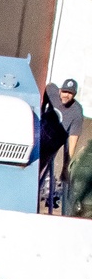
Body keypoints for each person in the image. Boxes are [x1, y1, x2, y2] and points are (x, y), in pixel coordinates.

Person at [40, 77, 84, 209]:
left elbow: (72, 141)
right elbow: (48, 86)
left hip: (50, 147)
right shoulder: (53, 92)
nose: (66, 95)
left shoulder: (76, 112)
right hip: (39, 134)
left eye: (70, 93)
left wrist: (66, 166)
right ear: (60, 91)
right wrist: (43, 107)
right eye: (64, 91)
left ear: (74, 95)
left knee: (36, 170)